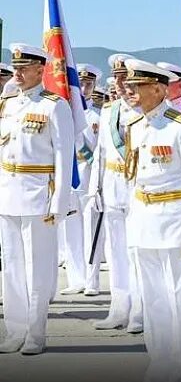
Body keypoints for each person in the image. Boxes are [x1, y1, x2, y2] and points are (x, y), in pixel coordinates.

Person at [123, 58, 181, 382]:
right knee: (154, 298)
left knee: (179, 300)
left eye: (138, 86)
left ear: (159, 90)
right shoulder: (136, 127)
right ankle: (159, 363)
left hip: (174, 223)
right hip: (144, 222)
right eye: (130, 86)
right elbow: (134, 180)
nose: (130, 91)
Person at [0, 43, 74, 355]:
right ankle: (14, 330)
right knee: (12, 266)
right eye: (15, 67)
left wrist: (59, 202)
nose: (17, 72)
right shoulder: (8, 104)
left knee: (37, 267)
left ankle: (35, 332)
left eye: (24, 67)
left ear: (39, 69)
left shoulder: (54, 106)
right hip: (7, 192)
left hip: (38, 195)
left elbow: (64, 155)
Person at [88, 53, 144, 333]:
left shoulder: (144, 111)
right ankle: (118, 308)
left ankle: (139, 311)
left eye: (126, 79)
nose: (121, 85)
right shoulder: (109, 111)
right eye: (117, 79)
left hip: (136, 190)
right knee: (115, 253)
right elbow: (99, 153)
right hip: (111, 186)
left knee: (136, 253)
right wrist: (94, 188)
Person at [66, 63, 103, 297]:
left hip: (89, 178)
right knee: (71, 231)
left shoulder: (96, 117)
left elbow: (98, 152)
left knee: (91, 231)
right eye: (81, 83)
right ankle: (75, 278)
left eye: (89, 83)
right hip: (71, 178)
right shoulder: (65, 112)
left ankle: (92, 280)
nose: (85, 87)